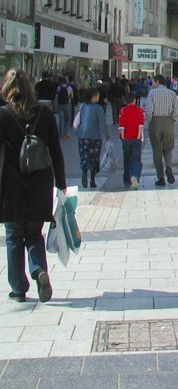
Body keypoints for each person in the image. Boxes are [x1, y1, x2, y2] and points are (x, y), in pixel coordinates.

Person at [0, 70, 67, 303]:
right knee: (34, 234)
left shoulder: (4, 115)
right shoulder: (45, 114)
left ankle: (18, 289)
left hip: (12, 186)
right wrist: (62, 184)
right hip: (40, 184)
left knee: (14, 237)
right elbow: (56, 152)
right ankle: (39, 271)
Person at [145, 74, 178, 187]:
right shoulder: (172, 93)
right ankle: (169, 168)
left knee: (156, 150)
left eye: (153, 82)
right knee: (168, 148)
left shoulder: (152, 93)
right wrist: (172, 120)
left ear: (157, 82)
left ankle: (160, 177)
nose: (152, 84)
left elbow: (149, 110)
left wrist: (150, 121)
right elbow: (177, 111)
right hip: (168, 122)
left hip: (155, 122)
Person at [75, 88, 111, 189]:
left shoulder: (82, 106)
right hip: (95, 137)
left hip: (82, 135)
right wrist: (107, 136)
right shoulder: (98, 108)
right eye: (98, 95)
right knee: (94, 158)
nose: (99, 96)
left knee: (84, 156)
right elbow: (102, 124)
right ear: (93, 96)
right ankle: (92, 180)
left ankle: (84, 172)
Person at [118, 97, 145, 189]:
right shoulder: (139, 110)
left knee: (126, 159)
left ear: (126, 101)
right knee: (136, 159)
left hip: (126, 138)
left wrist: (123, 137)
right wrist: (138, 136)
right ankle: (134, 176)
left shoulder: (123, 111)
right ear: (134, 101)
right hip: (136, 138)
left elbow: (121, 126)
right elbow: (141, 125)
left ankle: (127, 181)